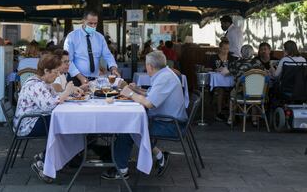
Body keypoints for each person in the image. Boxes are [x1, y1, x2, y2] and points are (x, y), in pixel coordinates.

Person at [101, 51, 188, 179]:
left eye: (146, 65)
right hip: (166, 120)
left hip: (171, 125)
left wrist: (129, 94)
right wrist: (135, 89)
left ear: (150, 66)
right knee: (131, 124)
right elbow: (151, 94)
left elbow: (148, 103)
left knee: (128, 127)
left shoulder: (164, 78)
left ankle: (121, 170)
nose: (145, 67)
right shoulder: (164, 74)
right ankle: (158, 156)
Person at [13, 54, 82, 183]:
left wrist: (70, 92)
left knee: (65, 125)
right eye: (55, 72)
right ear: (46, 71)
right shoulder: (35, 85)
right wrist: (67, 92)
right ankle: (45, 163)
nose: (57, 75)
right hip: (27, 125)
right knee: (64, 127)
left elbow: (55, 96)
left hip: (33, 120)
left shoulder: (42, 82)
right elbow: (48, 106)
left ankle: (48, 158)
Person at [64, 10, 119, 86]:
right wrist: (80, 77)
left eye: (95, 23)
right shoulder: (72, 37)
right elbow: (68, 60)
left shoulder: (100, 37)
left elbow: (108, 55)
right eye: (90, 23)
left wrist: (113, 68)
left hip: (94, 79)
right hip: (75, 78)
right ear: (83, 21)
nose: (93, 26)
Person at [209, 40, 237, 121]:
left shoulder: (231, 58)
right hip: (218, 81)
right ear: (220, 48)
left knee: (234, 89)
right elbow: (209, 68)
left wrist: (229, 70)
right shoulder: (214, 57)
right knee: (220, 89)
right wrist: (215, 69)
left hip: (229, 79)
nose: (226, 51)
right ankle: (219, 112)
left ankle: (232, 112)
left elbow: (234, 68)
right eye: (224, 49)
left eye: (227, 49)